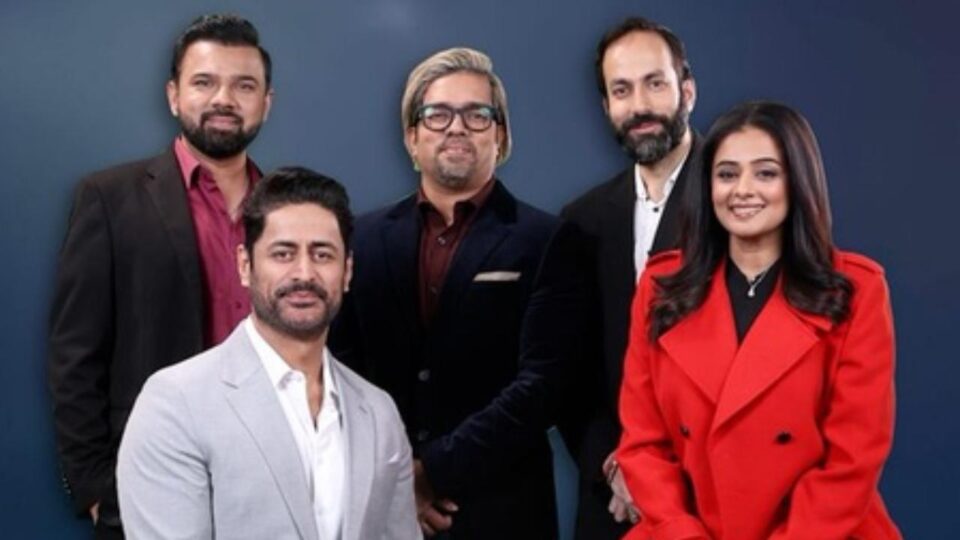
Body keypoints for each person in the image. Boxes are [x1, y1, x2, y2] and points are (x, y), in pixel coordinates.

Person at [329, 47, 586, 538]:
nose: (457, 127)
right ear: (412, 136)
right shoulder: (359, 238)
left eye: (476, 114)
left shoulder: (549, 239)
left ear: (500, 134)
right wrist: (397, 476)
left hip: (502, 512)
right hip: (378, 504)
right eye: (438, 114)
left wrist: (431, 474)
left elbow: (543, 386)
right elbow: (340, 370)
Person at [617, 101, 901, 539]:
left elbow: (853, 459)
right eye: (727, 174)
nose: (743, 190)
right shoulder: (661, 289)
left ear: (798, 181)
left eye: (766, 173)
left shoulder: (856, 291)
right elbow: (643, 444)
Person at [47, 13, 273, 538]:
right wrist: (97, 490)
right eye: (204, 82)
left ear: (267, 102)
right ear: (174, 96)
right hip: (149, 481)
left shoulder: (289, 206)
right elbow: (74, 355)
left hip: (270, 481)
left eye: (244, 85)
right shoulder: (108, 199)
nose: (224, 99)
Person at [117, 167, 420, 540]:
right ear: (245, 266)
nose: (304, 273)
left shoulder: (378, 412)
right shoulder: (175, 403)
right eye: (283, 253)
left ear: (347, 271)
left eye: (323, 254)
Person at [559, 16, 698, 538]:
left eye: (654, 83)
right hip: (613, 502)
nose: (639, 105)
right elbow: (572, 373)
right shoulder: (582, 219)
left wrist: (663, 478)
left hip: (714, 496)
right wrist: (617, 468)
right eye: (622, 90)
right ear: (606, 106)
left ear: (687, 91)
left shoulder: (738, 201)